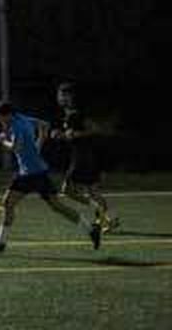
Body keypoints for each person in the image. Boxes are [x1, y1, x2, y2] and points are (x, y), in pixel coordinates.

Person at [0, 101, 103, 253]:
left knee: (11, 203)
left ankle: (0, 241)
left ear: (7, 115)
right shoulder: (22, 118)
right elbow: (44, 125)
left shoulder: (17, 126)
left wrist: (3, 141)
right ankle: (90, 229)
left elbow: (16, 147)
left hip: (31, 173)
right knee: (54, 206)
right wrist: (38, 144)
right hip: (34, 171)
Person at [52, 83, 119, 232]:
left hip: (82, 157)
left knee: (67, 190)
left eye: (62, 95)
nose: (59, 98)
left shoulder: (76, 114)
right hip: (84, 156)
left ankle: (104, 215)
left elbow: (95, 129)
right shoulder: (69, 114)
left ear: (69, 96)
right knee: (92, 191)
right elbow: (71, 136)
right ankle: (109, 219)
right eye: (59, 95)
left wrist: (73, 135)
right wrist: (61, 135)